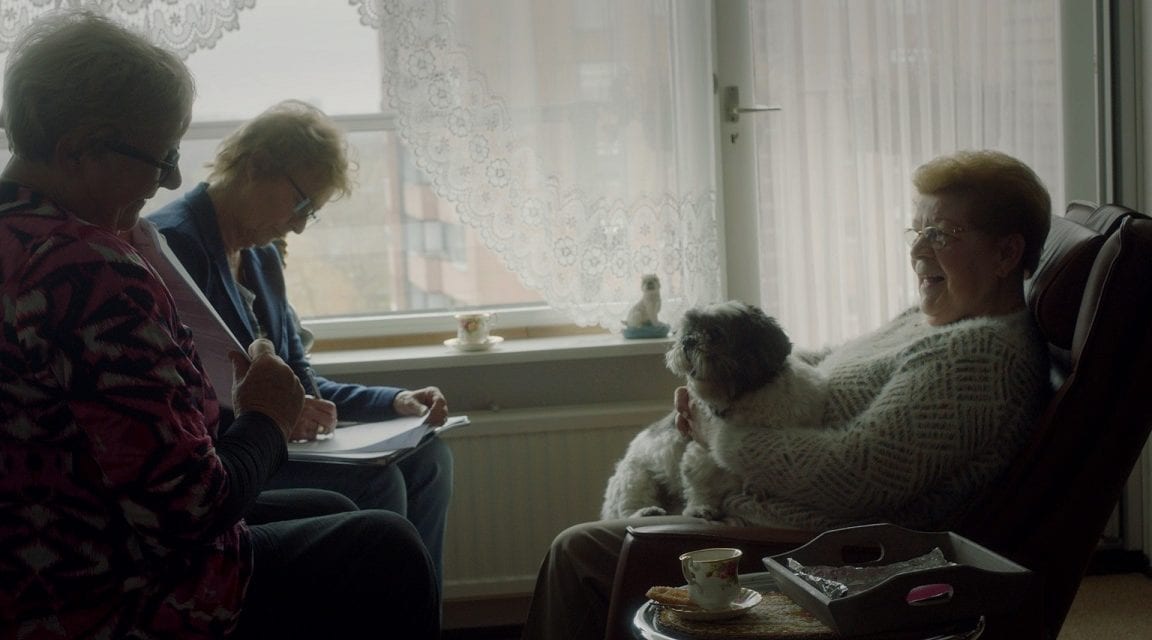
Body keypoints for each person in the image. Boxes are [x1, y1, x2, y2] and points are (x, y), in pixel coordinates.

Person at [0, 11, 439, 639]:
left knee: (333, 506)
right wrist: (263, 415)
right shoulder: (85, 269)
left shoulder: (19, 237)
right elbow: (189, 510)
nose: (173, 179)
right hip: (100, 592)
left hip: (53, 550)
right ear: (80, 149)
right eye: (161, 157)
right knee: (384, 547)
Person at [520, 149, 1054, 640]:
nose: (916, 251)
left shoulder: (980, 358)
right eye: (914, 231)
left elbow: (853, 475)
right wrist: (724, 384)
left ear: (1006, 252)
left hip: (807, 551)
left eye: (941, 234)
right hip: (751, 506)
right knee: (611, 523)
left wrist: (717, 433)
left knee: (579, 552)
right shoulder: (933, 320)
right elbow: (825, 363)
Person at [146, 99, 455, 589]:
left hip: (281, 445)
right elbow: (187, 397)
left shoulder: (262, 258)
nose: (300, 226)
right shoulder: (176, 245)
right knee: (379, 482)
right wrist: (279, 416)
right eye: (302, 203)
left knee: (430, 460)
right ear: (255, 168)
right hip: (230, 458)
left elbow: (298, 380)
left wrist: (393, 401)